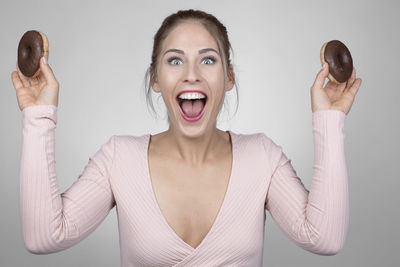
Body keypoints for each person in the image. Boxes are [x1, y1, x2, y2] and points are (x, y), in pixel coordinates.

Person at [11, 9, 362, 267]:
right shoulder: (119, 159)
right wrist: (38, 115)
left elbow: (325, 238)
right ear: (155, 79)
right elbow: (44, 237)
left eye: (208, 60)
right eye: (175, 61)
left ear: (229, 78)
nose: (192, 75)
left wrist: (329, 119)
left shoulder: (262, 157)